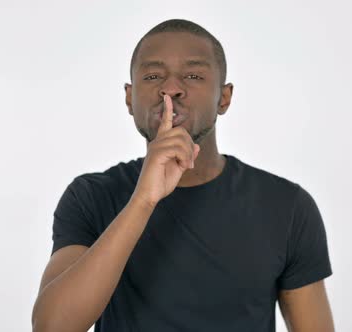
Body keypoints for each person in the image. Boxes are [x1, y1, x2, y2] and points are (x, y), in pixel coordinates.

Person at [31, 19, 335, 332]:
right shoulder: (91, 196)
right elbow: (52, 326)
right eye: (152, 76)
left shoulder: (286, 205)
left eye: (193, 75)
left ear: (224, 98)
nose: (171, 88)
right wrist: (144, 199)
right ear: (129, 98)